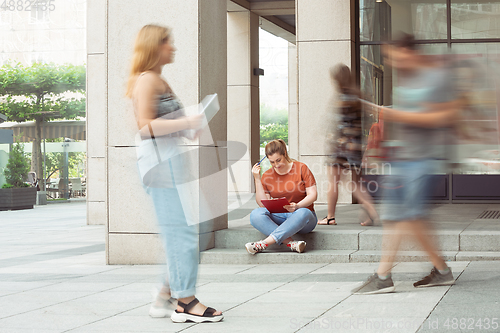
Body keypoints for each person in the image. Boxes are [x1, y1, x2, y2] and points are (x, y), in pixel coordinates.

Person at [126, 24, 223, 323]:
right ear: (155, 46)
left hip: (171, 162)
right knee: (182, 232)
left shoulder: (160, 80)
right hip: (159, 166)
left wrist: (193, 123)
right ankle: (185, 302)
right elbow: (144, 127)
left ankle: (165, 295)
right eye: (168, 42)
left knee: (192, 229)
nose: (174, 47)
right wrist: (186, 123)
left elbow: (174, 125)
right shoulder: (146, 81)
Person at [353, 33, 459, 295]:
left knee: (400, 217)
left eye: (395, 56)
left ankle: (383, 276)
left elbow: (443, 116)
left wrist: (393, 113)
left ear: (409, 52)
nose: (393, 63)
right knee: (410, 218)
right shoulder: (405, 81)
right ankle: (442, 271)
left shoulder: (435, 77)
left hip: (421, 160)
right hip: (402, 159)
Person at [318, 64, 378, 226]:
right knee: (355, 183)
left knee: (333, 182)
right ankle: (370, 210)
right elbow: (366, 122)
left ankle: (330, 217)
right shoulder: (358, 97)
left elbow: (336, 126)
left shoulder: (340, 99)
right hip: (356, 147)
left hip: (340, 148)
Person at [246, 139, 317, 254]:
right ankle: (291, 243)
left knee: (304, 212)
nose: (276, 165)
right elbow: (262, 203)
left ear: (285, 153)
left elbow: (313, 195)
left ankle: (264, 243)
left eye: (278, 160)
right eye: (272, 162)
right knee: (255, 214)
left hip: (303, 217)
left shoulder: (301, 168)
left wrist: (297, 206)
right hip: (281, 217)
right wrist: (257, 179)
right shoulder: (267, 175)